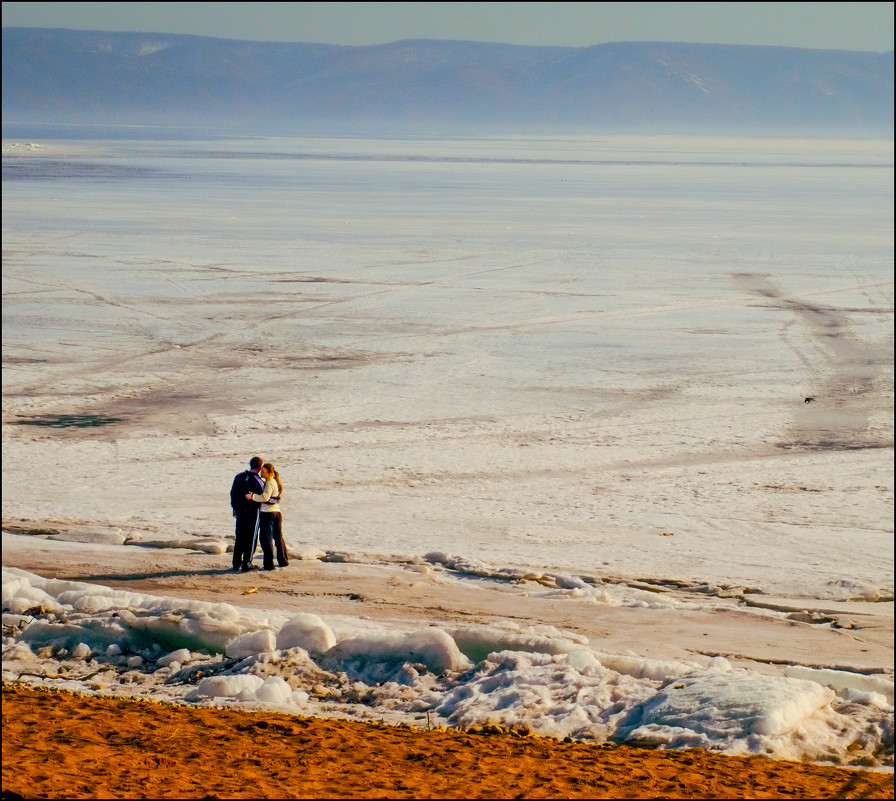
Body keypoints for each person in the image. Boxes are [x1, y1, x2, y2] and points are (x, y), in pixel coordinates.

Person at [247, 462, 289, 570]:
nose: (261, 473)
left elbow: (265, 497)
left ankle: (269, 564)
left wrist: (252, 496)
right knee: (278, 538)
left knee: (266, 539)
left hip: (268, 513)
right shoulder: (275, 481)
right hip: (276, 513)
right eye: (261, 471)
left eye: (264, 472)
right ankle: (283, 560)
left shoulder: (269, 482)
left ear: (270, 473)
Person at [230, 456, 265, 571]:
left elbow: (233, 493)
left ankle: (236, 562)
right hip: (253, 512)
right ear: (260, 467)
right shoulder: (258, 481)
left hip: (240, 510)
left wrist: (234, 507)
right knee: (251, 537)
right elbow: (263, 497)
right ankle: (246, 563)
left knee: (240, 536)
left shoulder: (239, 477)